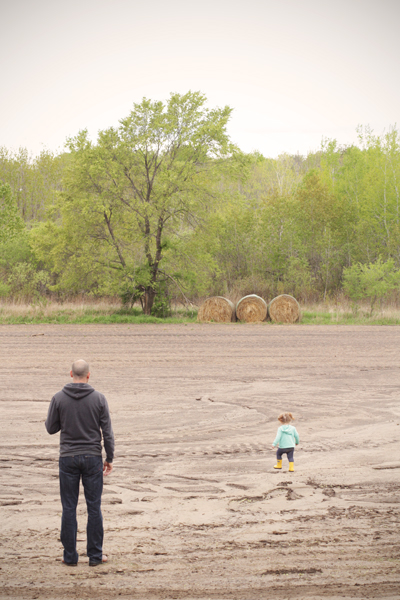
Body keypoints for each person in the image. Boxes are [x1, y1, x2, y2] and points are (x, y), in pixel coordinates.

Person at [45, 359, 114, 566]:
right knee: (94, 507)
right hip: (92, 457)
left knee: (69, 507)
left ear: (70, 373)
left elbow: (50, 428)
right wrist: (109, 458)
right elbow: (108, 433)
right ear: (89, 375)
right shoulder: (99, 399)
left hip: (68, 458)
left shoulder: (58, 398)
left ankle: (70, 557)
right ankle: (95, 556)